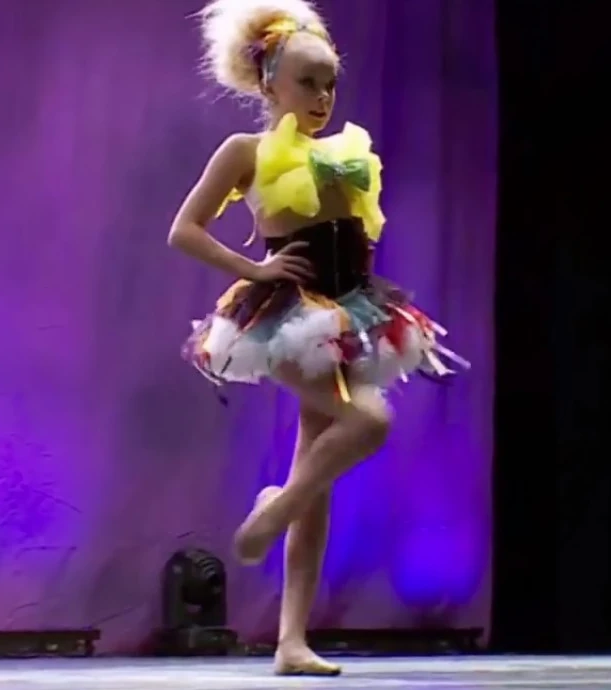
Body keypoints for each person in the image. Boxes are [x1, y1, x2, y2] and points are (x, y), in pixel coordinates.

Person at [169, 0, 469, 675]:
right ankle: (276, 505)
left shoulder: (343, 152)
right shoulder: (246, 151)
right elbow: (184, 229)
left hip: (352, 313)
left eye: (330, 83)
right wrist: (254, 268)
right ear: (269, 83)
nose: (323, 97)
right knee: (369, 421)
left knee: (318, 477)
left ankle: (291, 640)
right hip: (286, 319)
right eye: (307, 82)